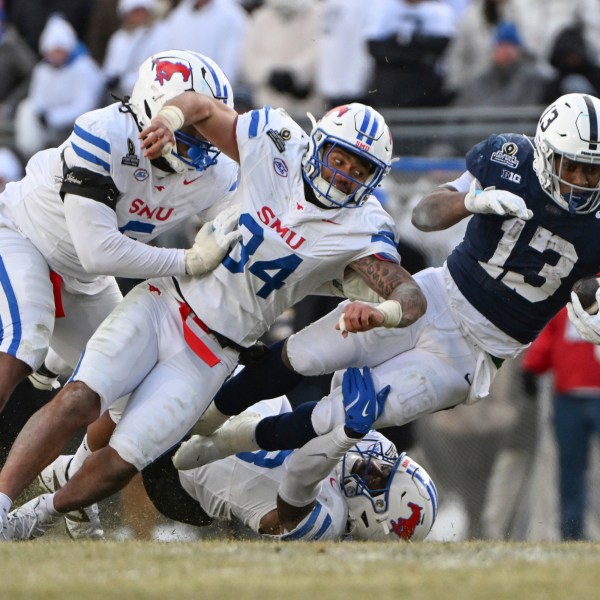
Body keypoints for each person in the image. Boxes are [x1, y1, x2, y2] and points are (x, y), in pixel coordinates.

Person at [0, 93, 427, 540]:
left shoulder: (364, 226)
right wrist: (169, 118)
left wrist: (385, 312)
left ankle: (40, 512)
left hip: (214, 351)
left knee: (124, 461)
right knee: (79, 400)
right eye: (340, 159)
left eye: (359, 172)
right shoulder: (277, 140)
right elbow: (200, 106)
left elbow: (409, 293)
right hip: (166, 301)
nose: (344, 177)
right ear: (318, 145)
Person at [177, 92, 600, 475]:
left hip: (474, 354)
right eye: (573, 166)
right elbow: (423, 215)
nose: (581, 181)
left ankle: (232, 442)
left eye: (592, 171)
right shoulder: (511, 158)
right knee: (302, 355)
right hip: (436, 294)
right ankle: (202, 419)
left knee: (342, 417)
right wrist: (472, 201)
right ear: (545, 151)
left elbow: (591, 296)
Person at [0, 49, 244, 536]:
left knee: (123, 387)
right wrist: (188, 261)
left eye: (206, 123)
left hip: (84, 278)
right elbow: (99, 251)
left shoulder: (217, 171)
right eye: (190, 127)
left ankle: (71, 477)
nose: (202, 140)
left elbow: (247, 232)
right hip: (23, 235)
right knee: (24, 338)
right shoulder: (105, 133)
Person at [13, 368, 439, 542]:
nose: (373, 462)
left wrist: (343, 436)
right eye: (384, 465)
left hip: (185, 484)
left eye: (379, 479)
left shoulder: (328, 523)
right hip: (234, 423)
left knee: (149, 408)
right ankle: (76, 469)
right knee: (164, 364)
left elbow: (296, 487)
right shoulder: (343, 456)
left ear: (372, 518)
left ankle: (63, 487)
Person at [522, 306, 600, 540]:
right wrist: (532, 366)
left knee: (571, 471)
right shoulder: (569, 300)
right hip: (569, 397)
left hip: (577, 397)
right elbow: (551, 335)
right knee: (570, 470)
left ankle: (573, 530)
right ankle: (572, 531)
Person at [14, 14, 105, 158]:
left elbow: (86, 105)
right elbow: (37, 98)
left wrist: (53, 117)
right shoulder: (42, 70)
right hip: (48, 126)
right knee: (26, 108)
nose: (56, 55)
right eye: (53, 50)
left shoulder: (84, 68)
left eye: (60, 49)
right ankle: (30, 153)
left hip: (78, 126)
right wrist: (42, 114)